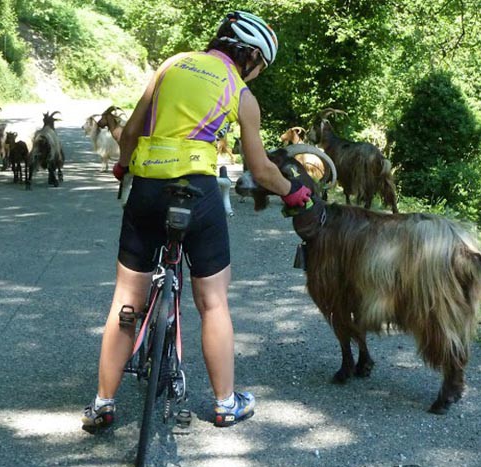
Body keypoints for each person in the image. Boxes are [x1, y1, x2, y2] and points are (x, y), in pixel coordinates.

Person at [82, 11, 313, 432]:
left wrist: (124, 168)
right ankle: (226, 403)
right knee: (213, 302)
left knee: (126, 300)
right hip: (199, 194)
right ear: (251, 58)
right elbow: (260, 169)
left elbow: (131, 131)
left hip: (149, 187)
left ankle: (103, 403)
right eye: (260, 66)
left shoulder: (172, 65)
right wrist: (292, 191)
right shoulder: (241, 94)